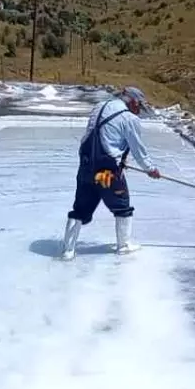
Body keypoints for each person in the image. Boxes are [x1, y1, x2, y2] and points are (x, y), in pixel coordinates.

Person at [59, 87, 162, 260]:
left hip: (86, 168)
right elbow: (138, 149)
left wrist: (120, 157)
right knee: (122, 206)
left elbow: (102, 137)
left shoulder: (99, 107)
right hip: (106, 172)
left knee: (80, 208)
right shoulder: (129, 118)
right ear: (134, 102)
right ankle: (123, 246)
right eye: (139, 107)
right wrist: (150, 169)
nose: (139, 112)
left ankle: (68, 250)